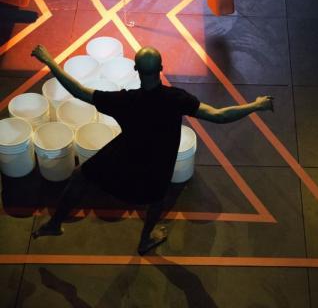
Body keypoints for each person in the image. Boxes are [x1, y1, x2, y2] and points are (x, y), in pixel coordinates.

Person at [30, 45, 274, 255]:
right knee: (157, 200)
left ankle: (55, 223)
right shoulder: (177, 99)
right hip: (157, 165)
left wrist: (49, 61)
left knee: (80, 176)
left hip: (123, 157)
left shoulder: (124, 101)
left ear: (135, 70)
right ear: (161, 68)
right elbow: (219, 116)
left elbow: (78, 91)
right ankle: (146, 238)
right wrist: (255, 105)